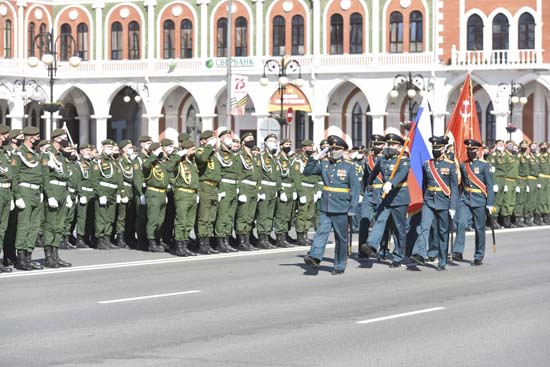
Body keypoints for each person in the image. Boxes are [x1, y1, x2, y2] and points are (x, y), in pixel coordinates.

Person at [302, 135, 360, 274]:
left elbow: (355, 188)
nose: (334, 151)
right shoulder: (324, 164)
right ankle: (315, 257)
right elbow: (307, 172)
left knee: (341, 238)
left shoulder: (349, 167)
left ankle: (340, 265)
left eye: (337, 149)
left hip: (341, 207)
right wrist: (313, 159)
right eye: (331, 148)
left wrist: (353, 208)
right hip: (326, 206)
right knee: (321, 232)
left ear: (343, 151)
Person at [360, 133, 410, 268]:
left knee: (398, 228)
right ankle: (371, 245)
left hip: (399, 198)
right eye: (389, 144)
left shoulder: (404, 160)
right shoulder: (382, 160)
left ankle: (398, 256)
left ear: (399, 147)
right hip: (386, 197)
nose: (390, 147)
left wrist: (391, 183)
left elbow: (401, 174)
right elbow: (373, 173)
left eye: (393, 145)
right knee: (380, 220)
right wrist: (368, 185)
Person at [409, 136, 459, 270]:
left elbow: (454, 188)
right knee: (424, 227)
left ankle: (442, 260)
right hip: (429, 201)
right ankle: (419, 253)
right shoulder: (427, 164)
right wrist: (426, 198)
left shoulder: (450, 165)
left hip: (444, 202)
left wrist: (453, 206)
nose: (436, 150)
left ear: (443, 149)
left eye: (438, 148)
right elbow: (424, 184)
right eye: (434, 148)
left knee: (442, 232)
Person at [452, 139, 495, 266]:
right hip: (465, 199)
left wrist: (490, 203)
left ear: (477, 151)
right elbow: (459, 182)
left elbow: (490, 186)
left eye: (472, 150)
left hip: (480, 200)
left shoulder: (484, 165)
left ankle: (478, 256)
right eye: (468, 150)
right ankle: (458, 251)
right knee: (461, 223)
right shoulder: (463, 165)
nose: (470, 152)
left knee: (479, 228)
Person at [12, 126, 44, 271]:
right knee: (24, 226)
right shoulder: (19, 154)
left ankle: (28, 256)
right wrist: (17, 196)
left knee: (34, 226)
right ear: (30, 137)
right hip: (25, 191)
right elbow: (14, 176)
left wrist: (41, 191)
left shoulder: (35, 154)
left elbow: (40, 175)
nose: (38, 139)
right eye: (36, 137)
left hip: (36, 192)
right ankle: (21, 259)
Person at [41, 128, 73, 268]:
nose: (65, 139)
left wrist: (67, 195)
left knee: (59, 226)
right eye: (63, 137)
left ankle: (56, 255)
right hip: (53, 191)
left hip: (62, 191)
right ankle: (48, 257)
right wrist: (50, 196)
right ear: (56, 138)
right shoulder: (47, 155)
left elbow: (65, 176)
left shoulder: (61, 156)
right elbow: (45, 178)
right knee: (50, 225)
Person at [92, 139, 122, 250]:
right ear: (103, 147)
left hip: (113, 193)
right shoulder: (98, 162)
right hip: (104, 192)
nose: (110, 149)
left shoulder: (113, 161)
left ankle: (107, 238)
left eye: (111, 147)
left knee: (110, 217)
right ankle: (100, 240)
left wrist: (119, 192)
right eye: (108, 147)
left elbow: (118, 179)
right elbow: (95, 180)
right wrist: (100, 194)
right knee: (101, 217)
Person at [213, 128, 239, 253]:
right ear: (221, 139)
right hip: (224, 187)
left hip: (233, 187)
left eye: (230, 136)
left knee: (230, 217)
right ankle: (220, 241)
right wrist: (218, 189)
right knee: (222, 215)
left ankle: (227, 240)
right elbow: (217, 172)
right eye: (227, 136)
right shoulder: (218, 154)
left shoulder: (233, 155)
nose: (229, 138)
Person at [195, 131, 221, 255]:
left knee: (211, 217)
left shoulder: (214, 155)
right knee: (204, 217)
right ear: (202, 141)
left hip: (214, 188)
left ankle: (208, 242)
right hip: (204, 186)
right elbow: (201, 159)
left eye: (213, 139)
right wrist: (209, 146)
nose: (212, 141)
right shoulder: (201, 151)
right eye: (209, 139)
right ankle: (202, 244)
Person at [234, 132, 260, 251]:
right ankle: (241, 241)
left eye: (252, 138)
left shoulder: (254, 157)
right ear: (243, 142)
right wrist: (240, 190)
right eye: (249, 139)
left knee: (250, 217)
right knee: (242, 216)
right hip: (245, 187)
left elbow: (258, 175)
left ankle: (247, 239)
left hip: (253, 189)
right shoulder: (240, 156)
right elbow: (238, 174)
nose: (252, 140)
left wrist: (258, 189)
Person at [292, 139, 318, 247]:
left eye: (312, 148)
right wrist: (300, 193)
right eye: (309, 148)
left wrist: (316, 190)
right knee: (302, 213)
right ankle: (300, 236)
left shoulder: (313, 160)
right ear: (303, 148)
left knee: (310, 213)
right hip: (304, 187)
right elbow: (296, 177)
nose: (311, 149)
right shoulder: (298, 160)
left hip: (312, 188)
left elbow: (317, 176)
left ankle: (306, 234)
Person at [273, 138, 295, 248]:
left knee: (288, 215)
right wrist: (280, 190)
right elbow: (277, 176)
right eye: (286, 144)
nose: (288, 146)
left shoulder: (289, 159)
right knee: (281, 215)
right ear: (281, 146)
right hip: (284, 188)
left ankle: (285, 236)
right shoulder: (278, 159)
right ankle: (279, 238)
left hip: (291, 189)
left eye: (290, 144)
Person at [0, 124, 14, 272]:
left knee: (2, 229)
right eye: (4, 136)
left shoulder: (4, 153)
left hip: (6, 192)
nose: (6, 138)